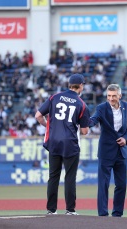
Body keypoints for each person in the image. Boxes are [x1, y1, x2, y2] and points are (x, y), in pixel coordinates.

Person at [35, 73, 90, 216]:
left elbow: (38, 116)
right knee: (70, 177)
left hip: (53, 142)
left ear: (69, 85)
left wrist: (49, 126)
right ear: (81, 86)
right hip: (70, 144)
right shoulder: (81, 104)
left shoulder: (55, 97)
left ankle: (51, 210)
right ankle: (70, 210)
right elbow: (84, 131)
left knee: (53, 176)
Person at [89, 84, 127, 217]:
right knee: (103, 184)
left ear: (119, 96)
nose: (111, 98)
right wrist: (84, 122)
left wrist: (126, 138)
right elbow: (94, 119)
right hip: (106, 152)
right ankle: (103, 214)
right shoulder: (101, 108)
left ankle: (117, 214)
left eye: (114, 96)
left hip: (121, 151)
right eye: (109, 96)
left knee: (121, 185)